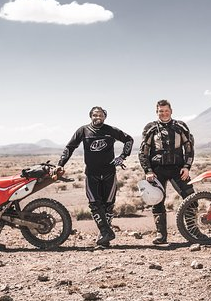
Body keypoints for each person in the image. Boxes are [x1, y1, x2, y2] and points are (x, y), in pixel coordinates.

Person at [56, 106, 133, 246]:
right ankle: (105, 232)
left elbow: (129, 140)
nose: (98, 117)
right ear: (90, 116)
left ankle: (104, 236)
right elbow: (70, 147)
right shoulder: (83, 130)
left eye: (101, 115)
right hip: (91, 173)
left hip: (109, 173)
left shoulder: (111, 130)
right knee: (94, 204)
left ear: (105, 117)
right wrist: (61, 164)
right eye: (95, 115)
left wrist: (122, 157)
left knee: (108, 205)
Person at [138, 99, 195, 244]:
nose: (164, 113)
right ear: (157, 112)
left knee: (191, 198)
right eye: (161, 111)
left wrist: (187, 167)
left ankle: (193, 231)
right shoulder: (150, 128)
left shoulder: (181, 126)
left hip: (178, 169)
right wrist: (148, 170)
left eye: (166, 111)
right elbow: (143, 151)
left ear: (171, 111)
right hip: (157, 171)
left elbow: (189, 148)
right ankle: (161, 235)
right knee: (157, 201)